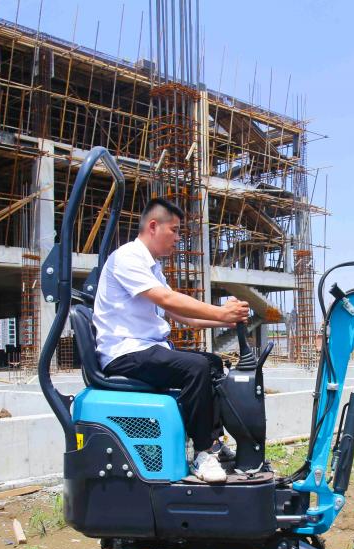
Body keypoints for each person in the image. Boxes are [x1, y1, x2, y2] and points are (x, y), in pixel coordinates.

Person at [94, 197, 249, 482]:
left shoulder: (151, 266)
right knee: (195, 368)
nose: (178, 238)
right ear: (153, 226)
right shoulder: (127, 258)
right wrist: (220, 311)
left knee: (212, 363)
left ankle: (213, 444)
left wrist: (227, 318)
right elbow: (166, 299)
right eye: (174, 230)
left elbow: (184, 317)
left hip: (147, 348)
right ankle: (202, 454)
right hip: (125, 352)